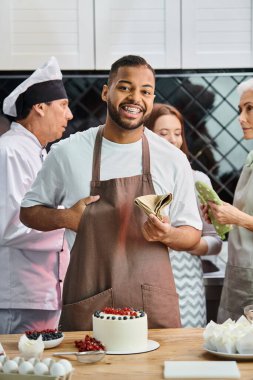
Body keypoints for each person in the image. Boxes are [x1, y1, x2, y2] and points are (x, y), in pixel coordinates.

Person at [20, 55, 202, 331]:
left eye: (145, 91)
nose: (135, 98)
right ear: (107, 91)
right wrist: (66, 218)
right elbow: (28, 211)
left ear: (152, 99)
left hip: (152, 306)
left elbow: (192, 232)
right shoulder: (68, 153)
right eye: (125, 87)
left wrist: (169, 235)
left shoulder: (172, 159)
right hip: (89, 302)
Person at [0, 56, 73, 334]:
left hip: (40, 294)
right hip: (21, 295)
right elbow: (11, 226)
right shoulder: (11, 150)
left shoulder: (35, 151)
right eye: (64, 106)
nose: (70, 115)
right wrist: (69, 220)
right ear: (40, 107)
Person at [145, 103, 222, 327]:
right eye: (163, 133)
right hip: (145, 283)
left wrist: (188, 243)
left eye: (177, 133)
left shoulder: (197, 180)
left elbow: (216, 240)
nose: (173, 140)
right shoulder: (135, 181)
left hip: (188, 288)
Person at [202, 78, 253, 323]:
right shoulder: (251, 157)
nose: (241, 118)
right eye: (240, 110)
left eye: (250, 108)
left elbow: (244, 219)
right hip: (241, 274)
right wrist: (219, 216)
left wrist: (237, 217)